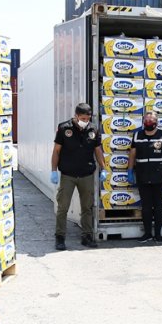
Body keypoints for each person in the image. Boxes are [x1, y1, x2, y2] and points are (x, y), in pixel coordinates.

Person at [51, 102, 106, 250]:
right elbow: (56, 151)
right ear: (76, 116)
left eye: (88, 118)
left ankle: (87, 236)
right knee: (63, 207)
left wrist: (103, 168)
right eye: (83, 118)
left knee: (87, 207)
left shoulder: (93, 129)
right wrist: (53, 170)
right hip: (68, 175)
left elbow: (98, 150)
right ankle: (60, 237)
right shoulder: (64, 128)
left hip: (86, 174)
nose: (85, 121)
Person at [127, 111, 162, 242]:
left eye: (151, 120)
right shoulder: (137, 135)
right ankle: (147, 233)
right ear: (143, 122)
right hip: (143, 176)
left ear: (156, 122)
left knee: (159, 206)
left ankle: (158, 234)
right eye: (146, 120)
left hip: (160, 176)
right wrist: (130, 170)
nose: (148, 122)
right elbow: (132, 154)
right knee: (146, 206)